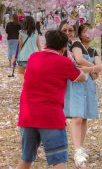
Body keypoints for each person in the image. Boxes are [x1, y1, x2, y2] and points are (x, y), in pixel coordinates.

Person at [17, 30, 87, 169]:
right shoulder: (64, 62)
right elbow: (81, 77)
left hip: (28, 115)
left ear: (46, 43)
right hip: (51, 117)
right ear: (63, 48)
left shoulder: (33, 57)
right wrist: (74, 62)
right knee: (58, 160)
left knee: (26, 157)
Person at [64, 23, 102, 167]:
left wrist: (90, 69)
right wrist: (93, 69)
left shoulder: (93, 50)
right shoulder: (77, 46)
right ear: (79, 34)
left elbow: (100, 67)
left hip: (89, 84)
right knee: (77, 117)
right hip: (77, 83)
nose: (88, 34)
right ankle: (77, 149)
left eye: (91, 32)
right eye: (85, 31)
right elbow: (79, 60)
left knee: (84, 117)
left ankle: (80, 146)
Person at [17, 16, 42, 81]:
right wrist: (41, 54)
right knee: (33, 74)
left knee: (21, 73)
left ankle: (25, 84)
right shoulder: (36, 32)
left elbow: (20, 45)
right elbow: (38, 45)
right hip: (34, 56)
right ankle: (32, 85)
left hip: (23, 56)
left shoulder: (21, 32)